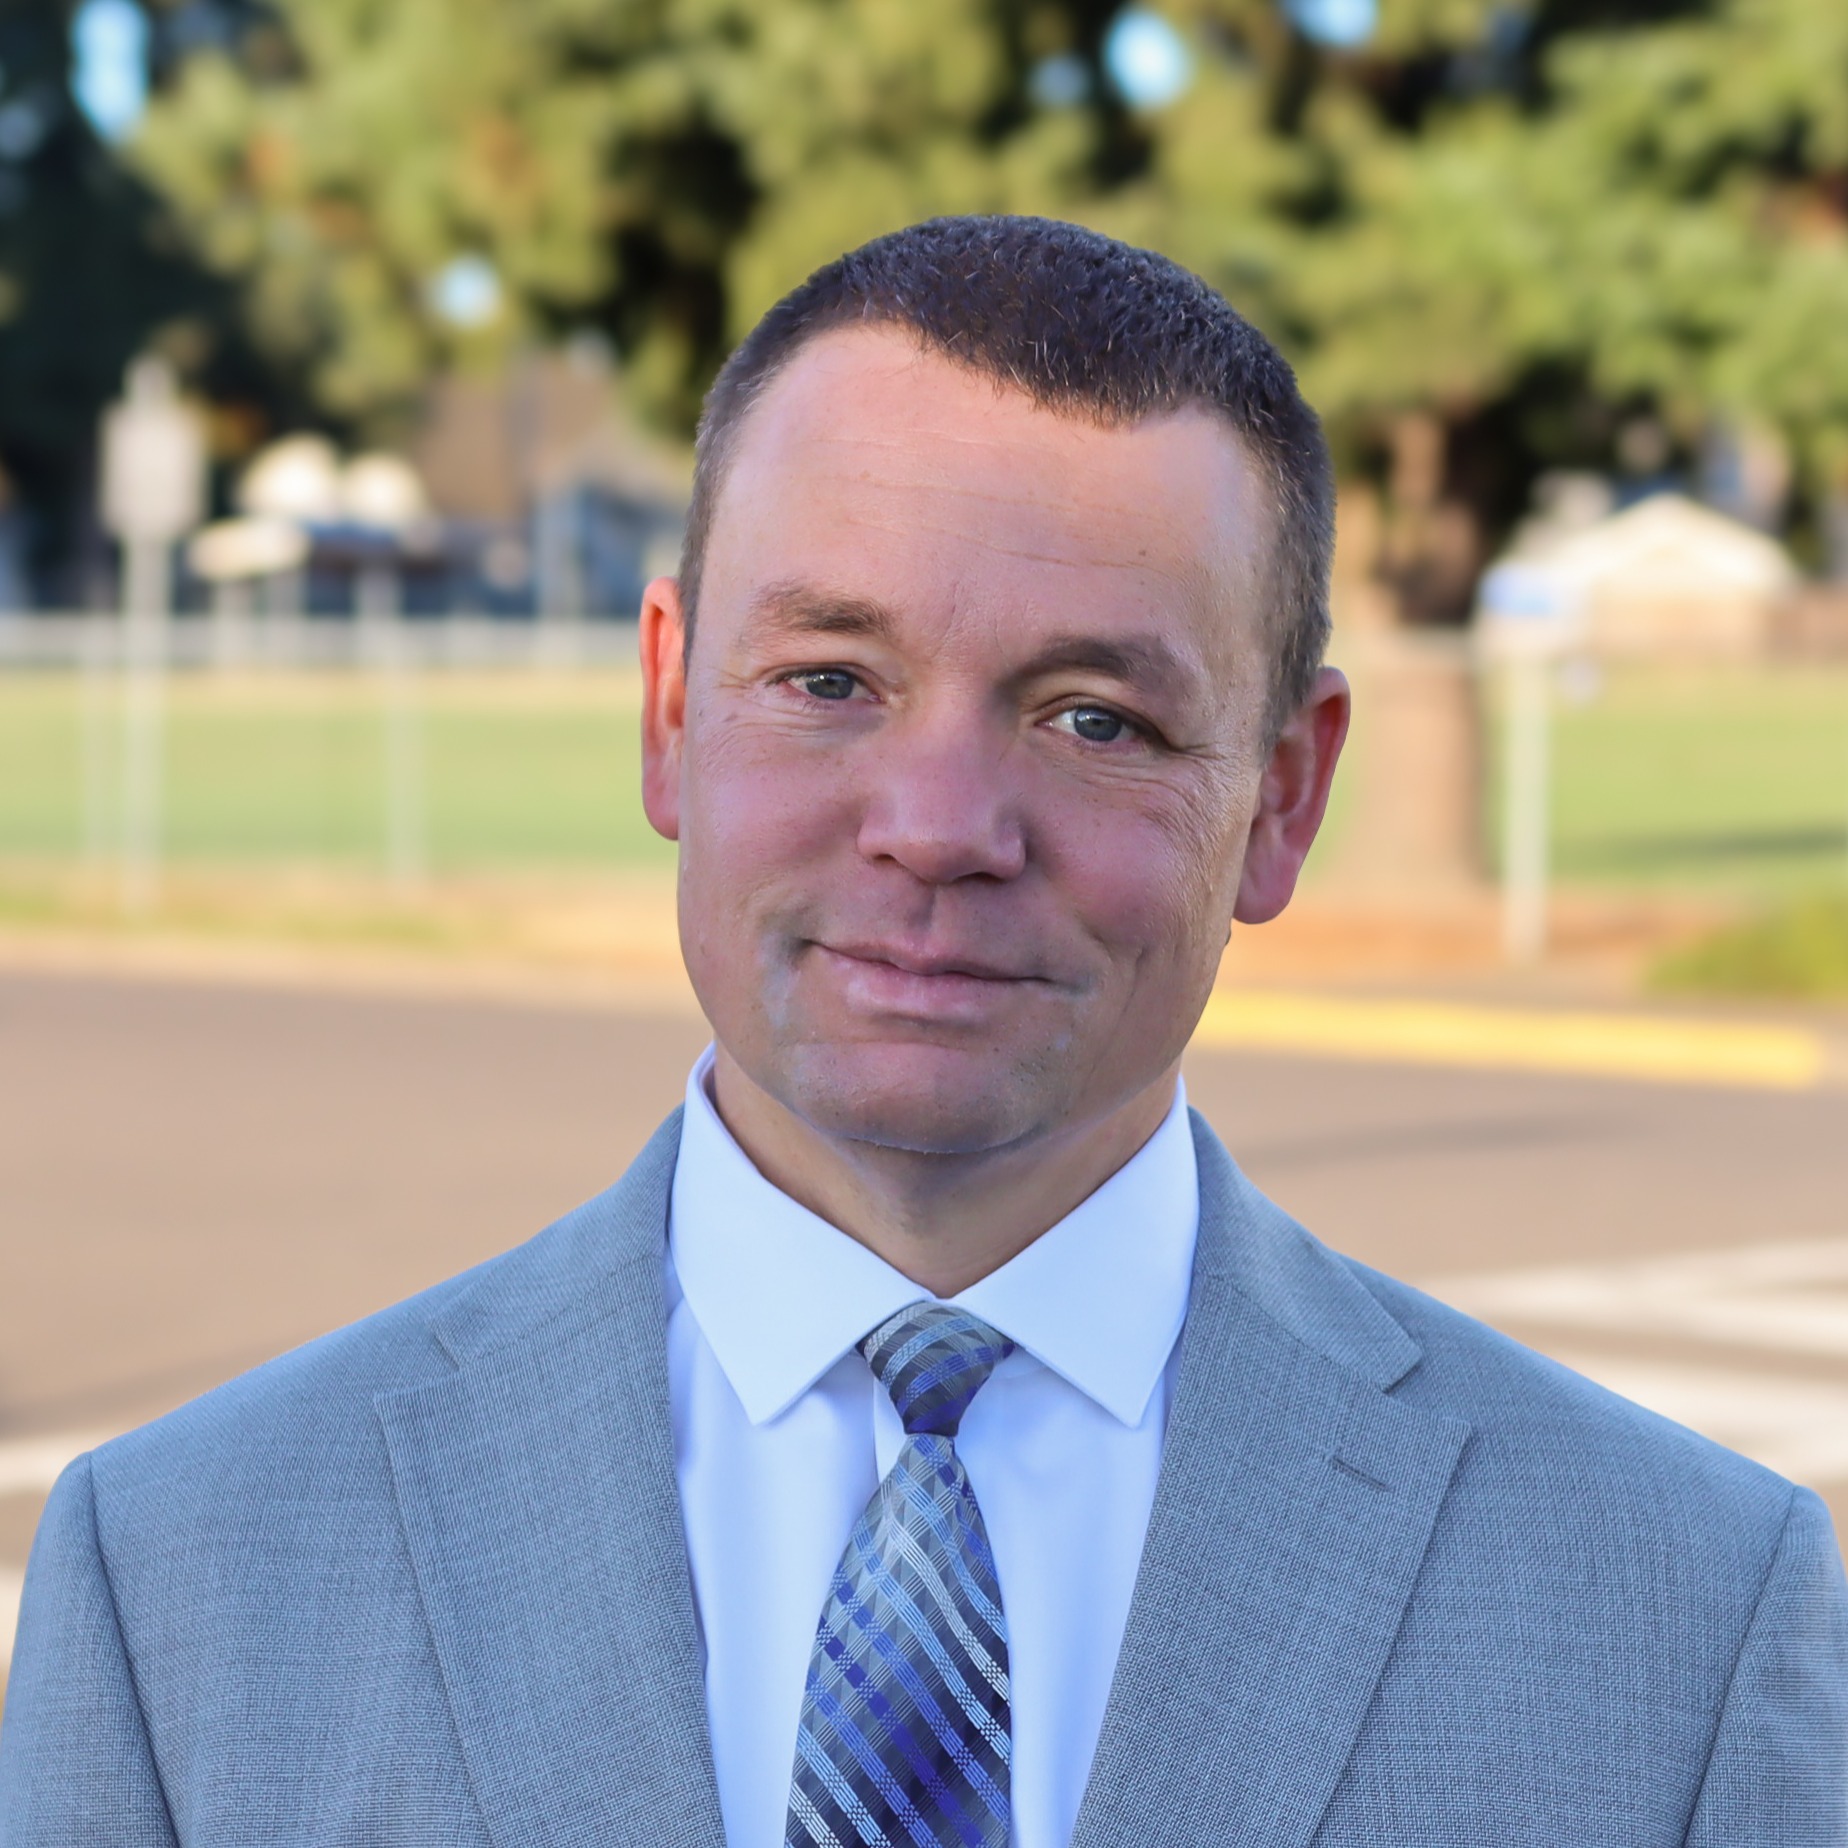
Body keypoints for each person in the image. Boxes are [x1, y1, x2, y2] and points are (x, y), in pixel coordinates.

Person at [2, 217, 1843, 1847]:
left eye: (1095, 717)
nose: (942, 821)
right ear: (665, 709)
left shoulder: (1683, 1620)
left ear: (1283, 794)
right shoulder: (182, 1587)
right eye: (827, 681)